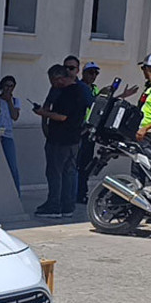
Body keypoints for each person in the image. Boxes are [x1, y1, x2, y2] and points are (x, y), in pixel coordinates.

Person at [33, 64, 89, 218]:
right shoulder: (81, 89)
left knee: (55, 173)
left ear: (60, 78)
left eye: (53, 80)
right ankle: (67, 206)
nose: (52, 84)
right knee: (69, 173)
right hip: (74, 139)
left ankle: (54, 206)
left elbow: (62, 116)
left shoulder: (66, 94)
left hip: (60, 140)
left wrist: (43, 113)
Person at [77, 61, 102, 204]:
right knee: (77, 164)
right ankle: (77, 193)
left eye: (96, 73)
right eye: (90, 72)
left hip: (90, 131)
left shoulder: (94, 89)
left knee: (86, 164)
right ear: (84, 73)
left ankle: (82, 192)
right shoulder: (79, 87)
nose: (93, 76)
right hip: (80, 130)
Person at [0, 75, 22, 196]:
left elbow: (15, 116)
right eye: (6, 86)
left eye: (11, 86)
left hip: (8, 135)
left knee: (12, 165)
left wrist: (9, 101)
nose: (8, 88)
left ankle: (16, 192)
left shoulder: (15, 101)